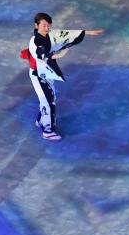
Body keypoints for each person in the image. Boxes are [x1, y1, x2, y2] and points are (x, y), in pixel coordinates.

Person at [19, 13, 103, 141]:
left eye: (49, 25)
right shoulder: (35, 41)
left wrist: (88, 33)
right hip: (39, 74)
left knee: (50, 98)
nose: (47, 28)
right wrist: (59, 54)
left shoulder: (49, 34)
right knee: (48, 102)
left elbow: (67, 34)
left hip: (46, 72)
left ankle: (41, 120)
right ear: (36, 25)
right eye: (44, 25)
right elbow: (43, 54)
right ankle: (47, 131)